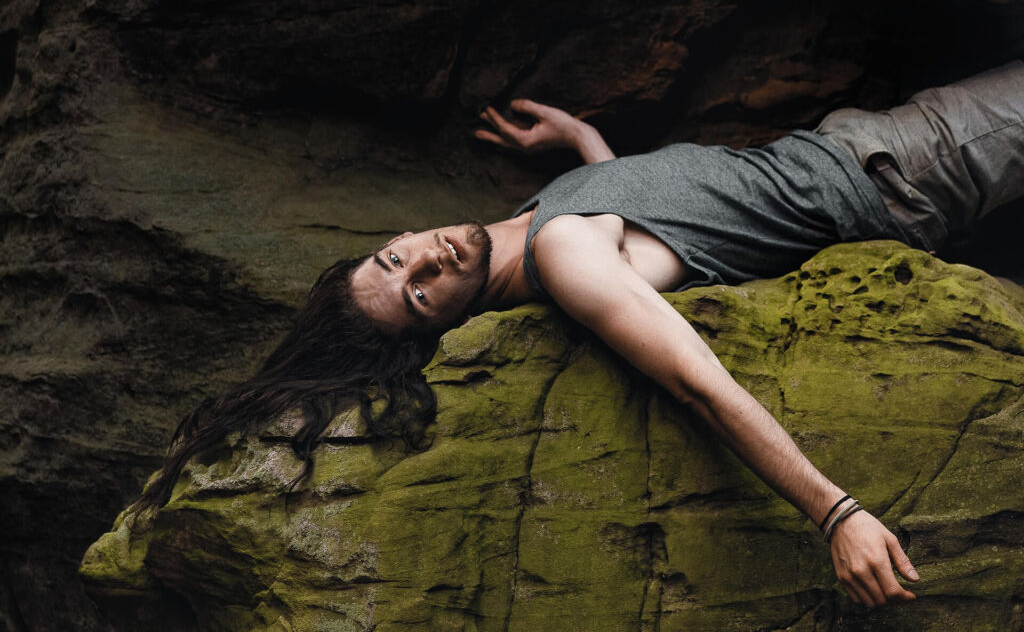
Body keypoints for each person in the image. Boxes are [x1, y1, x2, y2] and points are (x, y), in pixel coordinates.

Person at [131, 60, 1024, 611]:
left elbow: (646, 227)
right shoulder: (562, 258)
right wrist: (837, 513)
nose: (425, 261)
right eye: (418, 294)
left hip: (854, 150)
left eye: (394, 256)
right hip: (897, 172)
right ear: (442, 327)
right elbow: (696, 380)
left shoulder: (541, 229)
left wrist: (584, 142)